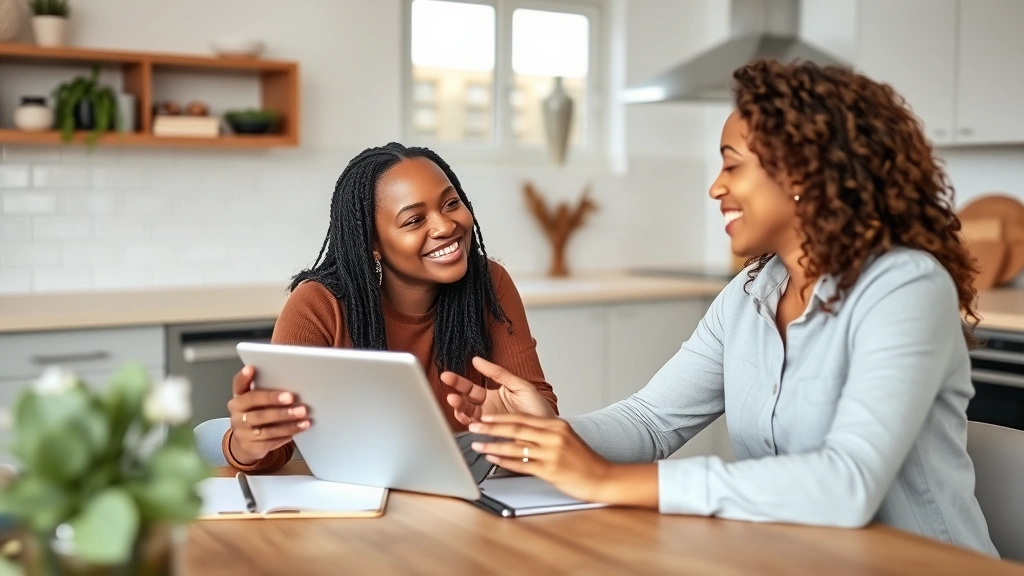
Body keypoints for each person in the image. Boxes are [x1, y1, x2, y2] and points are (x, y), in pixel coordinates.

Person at [445, 59, 999, 556]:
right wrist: (548, 432)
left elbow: (845, 484)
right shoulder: (749, 296)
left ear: (801, 170)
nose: (715, 187)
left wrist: (607, 482)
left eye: (732, 165)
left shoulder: (904, 286)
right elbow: (651, 423)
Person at [222, 142, 558, 473]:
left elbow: (538, 409)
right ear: (372, 245)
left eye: (451, 203)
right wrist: (247, 443)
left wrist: (528, 425)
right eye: (414, 220)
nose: (444, 226)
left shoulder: (489, 283)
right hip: (357, 508)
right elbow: (275, 446)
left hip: (466, 499)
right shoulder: (319, 305)